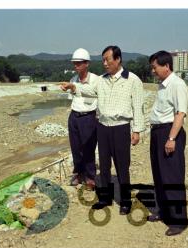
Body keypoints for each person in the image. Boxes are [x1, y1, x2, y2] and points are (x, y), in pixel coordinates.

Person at [60, 46, 145, 215]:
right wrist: (74, 87)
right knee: (104, 166)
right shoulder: (102, 80)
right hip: (103, 127)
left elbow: (138, 106)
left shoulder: (132, 80)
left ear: (118, 59)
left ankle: (125, 201)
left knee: (122, 166)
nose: (105, 63)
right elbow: (90, 91)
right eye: (103, 60)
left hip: (121, 127)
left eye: (108, 59)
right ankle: (105, 198)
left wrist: (137, 130)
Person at [146, 50, 188, 236]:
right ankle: (164, 212)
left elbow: (180, 113)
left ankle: (179, 221)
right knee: (159, 176)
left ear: (166, 66)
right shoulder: (162, 85)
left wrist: (171, 138)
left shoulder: (178, 84)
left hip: (169, 132)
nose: (153, 71)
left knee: (172, 177)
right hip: (158, 132)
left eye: (155, 67)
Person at [66, 48, 99, 191]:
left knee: (88, 147)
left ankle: (90, 177)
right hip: (74, 115)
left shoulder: (96, 80)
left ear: (87, 63)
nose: (76, 66)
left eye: (79, 63)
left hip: (89, 117)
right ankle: (79, 173)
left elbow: (97, 96)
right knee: (75, 147)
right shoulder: (73, 79)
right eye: (74, 63)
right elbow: (71, 99)